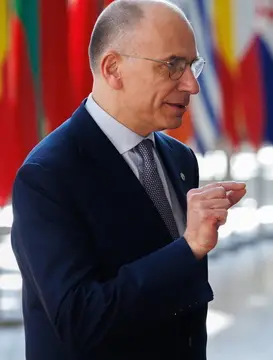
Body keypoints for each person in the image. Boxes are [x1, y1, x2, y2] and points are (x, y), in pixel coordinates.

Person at [10, 1, 246, 359]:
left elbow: (184, 309)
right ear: (113, 69)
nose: (191, 86)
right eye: (172, 66)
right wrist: (189, 247)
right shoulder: (48, 176)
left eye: (192, 66)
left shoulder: (180, 159)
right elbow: (79, 321)